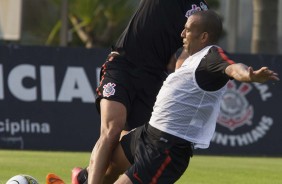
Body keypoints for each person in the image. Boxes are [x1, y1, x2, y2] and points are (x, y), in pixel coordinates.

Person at [107, 10, 279, 184]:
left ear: (203, 36)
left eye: (188, 30)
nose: (182, 33)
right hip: (148, 133)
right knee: (106, 167)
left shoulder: (212, 56)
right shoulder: (192, 58)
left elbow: (233, 68)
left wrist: (249, 76)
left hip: (167, 148)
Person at [72, 1, 210, 184]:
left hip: (154, 78)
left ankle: (84, 177)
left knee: (123, 157)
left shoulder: (202, 11)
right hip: (123, 64)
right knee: (112, 129)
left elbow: (181, 57)